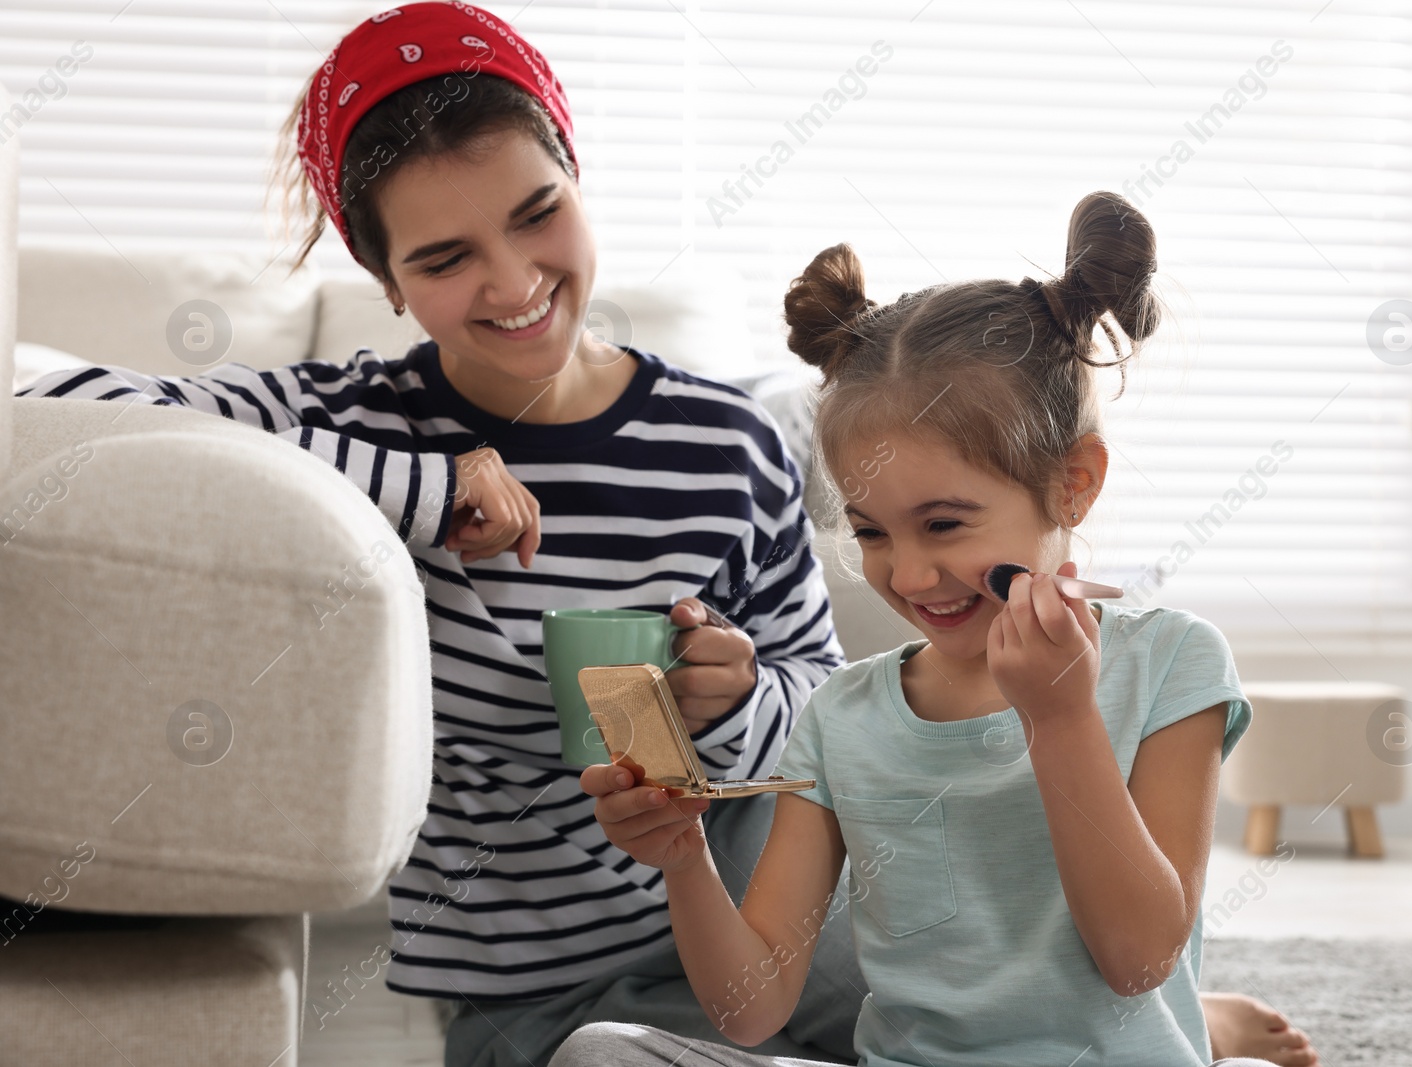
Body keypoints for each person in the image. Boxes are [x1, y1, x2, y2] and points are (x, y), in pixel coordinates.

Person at [16, 5, 1316, 1065]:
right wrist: (423, 489)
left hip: (783, 918)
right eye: (447, 257)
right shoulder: (342, 423)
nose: (515, 284)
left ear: (577, 177)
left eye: (536, 215)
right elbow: (36, 395)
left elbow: (841, 707)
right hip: (537, 982)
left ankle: (1164, 1018)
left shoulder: (727, 441)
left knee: (976, 988)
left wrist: (738, 700)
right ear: (385, 277)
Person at [561, 191, 1308, 1067]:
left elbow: (1138, 957)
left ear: (1073, 483)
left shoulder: (1172, 661)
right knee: (599, 1056)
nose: (907, 576)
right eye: (872, 532)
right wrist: (685, 858)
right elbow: (752, 1009)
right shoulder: (843, 715)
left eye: (945, 524)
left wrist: (1061, 719)